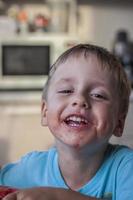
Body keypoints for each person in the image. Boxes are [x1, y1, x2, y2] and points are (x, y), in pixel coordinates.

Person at [0, 43, 133, 200]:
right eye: (66, 91)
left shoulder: (126, 168)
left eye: (98, 95)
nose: (79, 100)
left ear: (119, 122)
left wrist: (57, 196)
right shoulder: (30, 169)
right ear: (45, 111)